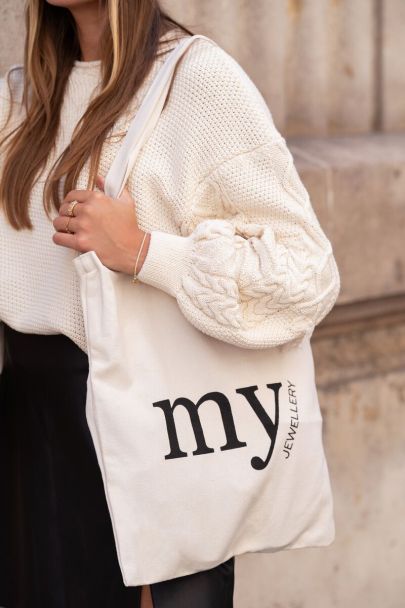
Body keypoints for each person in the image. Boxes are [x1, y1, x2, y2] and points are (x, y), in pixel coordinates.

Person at [0, 0, 341, 607]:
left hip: (153, 425)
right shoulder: (21, 98)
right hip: (32, 431)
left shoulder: (196, 80)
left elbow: (306, 273)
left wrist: (141, 251)